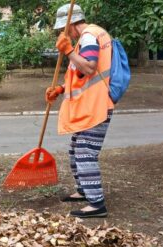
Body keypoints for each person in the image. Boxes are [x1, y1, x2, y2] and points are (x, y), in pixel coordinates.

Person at [46, 4, 114, 218]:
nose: (64, 34)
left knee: (85, 152)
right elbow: (82, 77)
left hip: (96, 107)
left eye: (64, 29)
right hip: (88, 107)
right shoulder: (85, 40)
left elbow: (89, 67)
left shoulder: (88, 36)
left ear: (72, 24)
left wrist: (67, 51)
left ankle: (97, 204)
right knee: (76, 149)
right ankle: (85, 190)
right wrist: (60, 89)